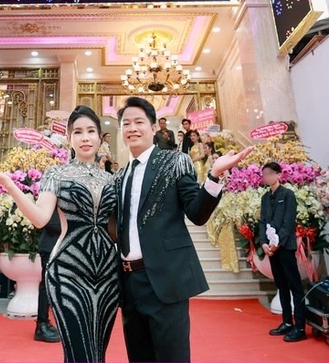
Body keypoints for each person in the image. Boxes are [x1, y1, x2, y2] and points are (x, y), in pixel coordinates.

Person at [0, 106, 119, 363]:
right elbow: (40, 218)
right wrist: (9, 185)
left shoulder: (111, 180)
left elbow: (116, 229)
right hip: (68, 271)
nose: (85, 137)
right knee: (78, 353)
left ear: (100, 137)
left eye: (91, 131)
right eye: (78, 132)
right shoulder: (56, 174)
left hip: (107, 273)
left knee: (98, 353)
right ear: (69, 138)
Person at [116, 96, 253, 362]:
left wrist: (214, 176)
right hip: (129, 283)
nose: (132, 128)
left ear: (153, 127)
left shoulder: (175, 161)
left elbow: (196, 214)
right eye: (126, 123)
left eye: (139, 122)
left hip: (165, 278)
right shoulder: (120, 176)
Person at [260, 161, 306, 343]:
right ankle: (287, 322)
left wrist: (277, 243)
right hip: (272, 249)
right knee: (281, 285)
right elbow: (263, 221)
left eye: (270, 174)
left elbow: (288, 222)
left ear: (278, 175)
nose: (267, 177)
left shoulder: (288, 195)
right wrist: (264, 243)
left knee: (295, 286)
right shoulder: (265, 198)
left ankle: (300, 327)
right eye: (264, 174)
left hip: (285, 246)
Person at [34, 208, 61, 343]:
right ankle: (42, 325)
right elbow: (48, 221)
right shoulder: (51, 196)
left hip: (62, 247)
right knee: (47, 286)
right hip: (51, 246)